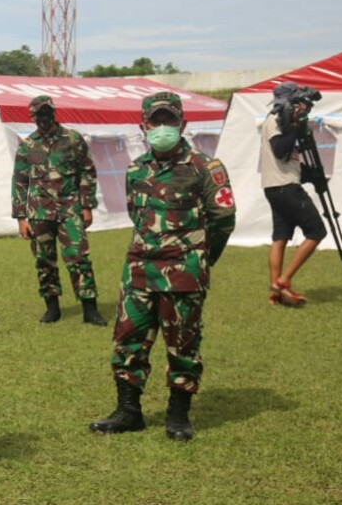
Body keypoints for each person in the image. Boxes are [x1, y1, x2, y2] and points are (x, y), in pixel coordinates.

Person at [88, 92, 236, 441]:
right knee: (127, 342)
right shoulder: (136, 168)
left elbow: (223, 220)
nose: (163, 127)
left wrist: (200, 259)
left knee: (183, 344)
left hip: (184, 272)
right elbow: (135, 215)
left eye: (170, 120)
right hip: (139, 270)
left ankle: (178, 416)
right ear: (144, 125)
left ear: (183, 124)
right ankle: (128, 412)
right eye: (156, 121)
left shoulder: (206, 167)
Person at [11, 94, 107, 326]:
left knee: (78, 258)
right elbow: (20, 182)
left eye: (46, 112)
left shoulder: (72, 139)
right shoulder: (27, 145)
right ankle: (52, 308)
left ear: (53, 112)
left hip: (70, 210)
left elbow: (87, 172)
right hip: (39, 213)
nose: (43, 117)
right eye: (38, 114)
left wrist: (87, 205)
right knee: (44, 261)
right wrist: (21, 218)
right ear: (32, 117)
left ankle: (90, 309)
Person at [259, 81, 327, 306]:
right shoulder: (276, 120)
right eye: (297, 101)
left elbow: (288, 159)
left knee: (280, 237)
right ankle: (283, 282)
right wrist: (297, 127)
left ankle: (274, 294)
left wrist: (311, 175)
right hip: (284, 187)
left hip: (275, 186)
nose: (301, 106)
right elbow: (280, 150)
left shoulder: (281, 120)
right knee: (317, 231)